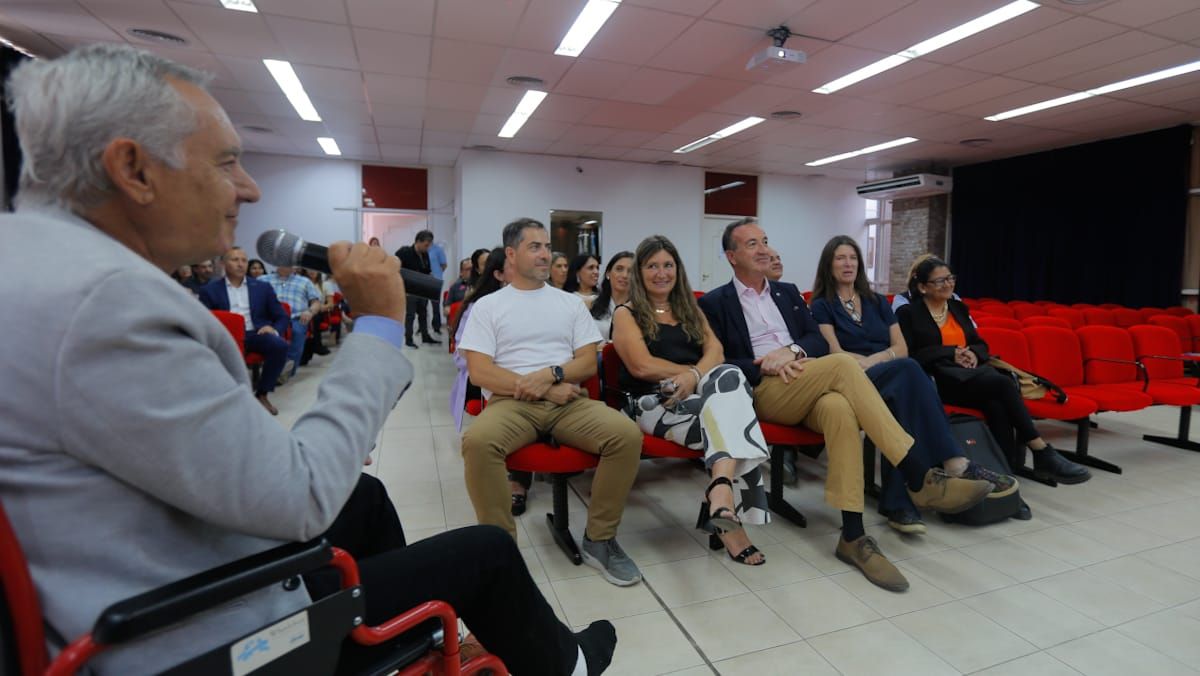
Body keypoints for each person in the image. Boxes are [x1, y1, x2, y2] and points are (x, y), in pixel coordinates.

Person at [0, 44, 616, 676]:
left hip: (158, 555)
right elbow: (303, 496)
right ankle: (564, 666)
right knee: (486, 552)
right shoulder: (106, 304)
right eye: (226, 162)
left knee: (365, 496)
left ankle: (410, 637)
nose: (249, 187)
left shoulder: (34, 262)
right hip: (206, 632)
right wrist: (377, 321)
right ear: (133, 169)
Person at [698, 218, 992, 592]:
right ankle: (917, 472)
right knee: (842, 364)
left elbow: (815, 340)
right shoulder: (715, 302)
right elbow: (719, 362)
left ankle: (853, 535)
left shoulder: (786, 292)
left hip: (808, 376)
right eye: (752, 244)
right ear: (731, 256)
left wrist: (792, 350)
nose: (764, 249)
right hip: (765, 389)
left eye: (765, 241)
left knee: (840, 408)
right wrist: (767, 362)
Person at [459, 218, 645, 587]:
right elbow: (480, 372)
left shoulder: (569, 303)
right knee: (478, 442)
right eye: (535, 247)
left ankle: (600, 539)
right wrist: (544, 388)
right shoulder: (488, 306)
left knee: (625, 435)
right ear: (511, 254)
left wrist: (552, 375)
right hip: (511, 402)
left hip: (568, 400)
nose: (545, 254)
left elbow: (586, 362)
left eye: (547, 246)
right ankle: (501, 552)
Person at [809, 236, 1019, 533]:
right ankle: (954, 463)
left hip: (884, 373)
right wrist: (875, 361)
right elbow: (834, 352)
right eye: (840, 258)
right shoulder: (822, 305)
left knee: (901, 405)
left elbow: (902, 347)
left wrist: (875, 359)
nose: (848, 264)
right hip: (850, 378)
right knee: (909, 371)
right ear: (828, 265)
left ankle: (898, 503)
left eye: (853, 258)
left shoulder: (876, 302)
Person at [613, 236, 769, 565]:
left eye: (668, 265)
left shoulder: (689, 308)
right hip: (653, 400)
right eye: (652, 266)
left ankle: (721, 491)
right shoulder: (626, 313)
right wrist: (692, 374)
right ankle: (724, 505)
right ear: (639, 272)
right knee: (734, 418)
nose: (661, 273)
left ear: (678, 270)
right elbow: (642, 366)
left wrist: (694, 377)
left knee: (729, 374)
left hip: (698, 392)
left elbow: (717, 352)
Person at [896, 257, 1091, 484]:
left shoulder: (958, 308)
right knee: (1003, 384)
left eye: (950, 279)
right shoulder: (909, 314)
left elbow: (980, 344)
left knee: (996, 405)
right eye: (940, 281)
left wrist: (973, 353)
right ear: (923, 287)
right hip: (937, 382)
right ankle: (1040, 450)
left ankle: (1005, 474)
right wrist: (951, 353)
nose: (948, 285)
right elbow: (910, 355)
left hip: (970, 377)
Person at [449, 248, 533, 516]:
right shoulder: (479, 307)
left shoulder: (531, 302)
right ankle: (516, 480)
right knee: (518, 401)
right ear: (498, 275)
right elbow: (462, 356)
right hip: (485, 379)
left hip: (525, 376)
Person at [198, 246, 290, 415]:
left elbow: (281, 316)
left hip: (256, 333)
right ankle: (228, 399)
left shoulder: (262, 287)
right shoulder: (210, 290)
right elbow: (204, 320)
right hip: (227, 337)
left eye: (244, 260)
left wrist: (274, 329)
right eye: (235, 260)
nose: (240, 264)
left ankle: (262, 394)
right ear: (223, 264)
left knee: (280, 346)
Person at [260, 263, 321, 379]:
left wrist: (310, 311)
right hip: (270, 319)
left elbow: (316, 302)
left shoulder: (305, 281)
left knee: (297, 332)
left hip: (296, 318)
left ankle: (286, 371)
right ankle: (273, 370)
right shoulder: (263, 280)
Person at [395, 230, 440, 348]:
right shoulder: (405, 252)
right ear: (418, 242)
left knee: (423, 313)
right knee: (410, 315)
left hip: (422, 289)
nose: (427, 248)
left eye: (429, 245)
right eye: (426, 245)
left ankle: (425, 336)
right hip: (409, 290)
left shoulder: (425, 255)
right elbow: (395, 267)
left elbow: (426, 270)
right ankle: (408, 339)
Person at [590, 251, 633, 343]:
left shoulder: (642, 308)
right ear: (608, 273)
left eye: (630, 271)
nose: (625, 275)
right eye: (619, 269)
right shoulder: (591, 303)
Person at [428, 240, 447, 335]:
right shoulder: (422, 250)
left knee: (435, 305)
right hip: (423, 279)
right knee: (421, 306)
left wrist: (437, 273)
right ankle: (422, 328)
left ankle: (436, 327)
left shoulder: (438, 250)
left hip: (435, 280)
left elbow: (444, 265)